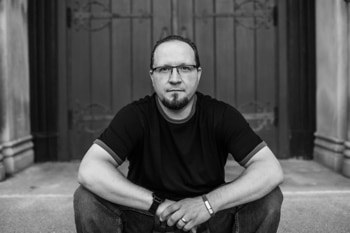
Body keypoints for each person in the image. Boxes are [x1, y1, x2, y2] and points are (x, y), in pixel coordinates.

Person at [73, 35, 284, 233]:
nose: (175, 78)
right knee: (86, 197)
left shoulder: (221, 115)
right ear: (152, 76)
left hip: (207, 220)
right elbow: (90, 169)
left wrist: (207, 204)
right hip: (147, 218)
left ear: (198, 74)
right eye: (164, 69)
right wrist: (159, 205)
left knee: (269, 197)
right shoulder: (135, 116)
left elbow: (270, 169)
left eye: (185, 68)